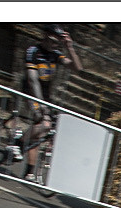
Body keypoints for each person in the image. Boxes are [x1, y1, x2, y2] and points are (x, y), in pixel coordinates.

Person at [17, 24, 83, 180]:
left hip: (46, 97)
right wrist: (41, 105)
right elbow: (33, 80)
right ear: (45, 36)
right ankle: (18, 143)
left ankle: (29, 171)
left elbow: (78, 68)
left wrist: (70, 47)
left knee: (41, 131)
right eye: (53, 41)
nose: (55, 45)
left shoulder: (56, 54)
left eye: (57, 43)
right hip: (31, 93)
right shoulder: (33, 51)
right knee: (45, 124)